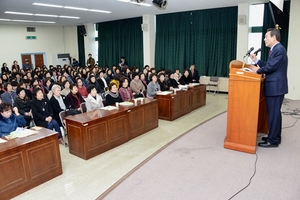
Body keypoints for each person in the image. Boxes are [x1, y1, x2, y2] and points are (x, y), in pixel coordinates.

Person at [250, 28, 288, 148]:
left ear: (274, 37)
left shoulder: (279, 50)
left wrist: (257, 70)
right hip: (275, 87)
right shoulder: (275, 50)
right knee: (274, 113)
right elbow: (269, 65)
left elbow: (270, 67)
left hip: (275, 87)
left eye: (266, 37)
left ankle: (273, 140)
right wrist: (256, 61)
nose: (264, 39)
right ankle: (274, 136)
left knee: (274, 114)